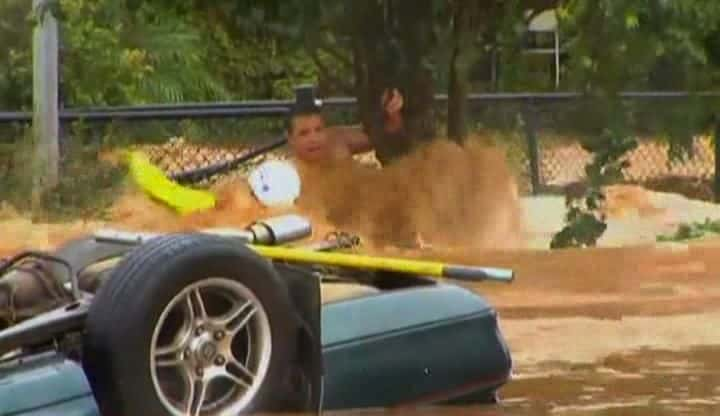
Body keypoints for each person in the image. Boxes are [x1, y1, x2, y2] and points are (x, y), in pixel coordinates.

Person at [248, 89, 405, 208]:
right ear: (290, 139)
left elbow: (386, 134)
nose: (313, 139)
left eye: (318, 130)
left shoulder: (338, 141)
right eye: (304, 133)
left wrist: (393, 113)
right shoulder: (286, 179)